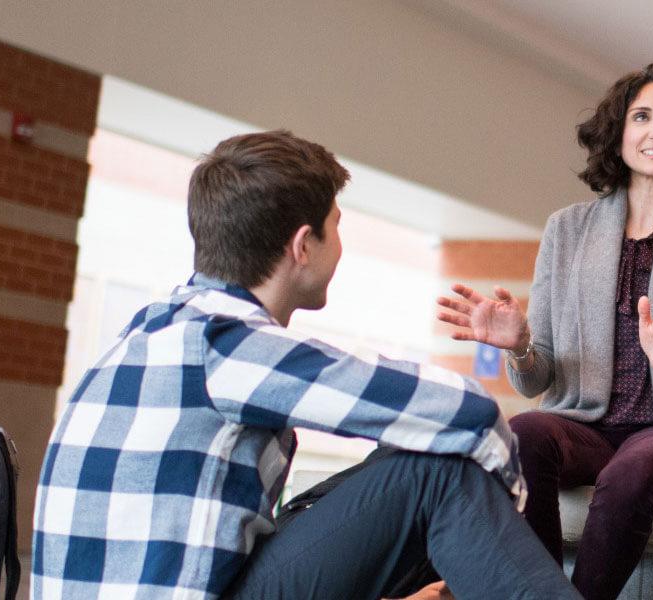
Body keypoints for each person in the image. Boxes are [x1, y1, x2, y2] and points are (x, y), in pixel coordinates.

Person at [31, 130, 576, 600]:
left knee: (410, 450)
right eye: (335, 228)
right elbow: (470, 410)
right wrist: (507, 507)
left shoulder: (151, 329)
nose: (341, 247)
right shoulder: (227, 344)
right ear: (302, 246)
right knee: (438, 472)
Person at [437, 63, 653, 600]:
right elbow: (534, 382)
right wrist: (518, 345)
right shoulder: (567, 229)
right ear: (619, 132)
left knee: (635, 468)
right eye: (642, 116)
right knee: (524, 434)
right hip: (582, 425)